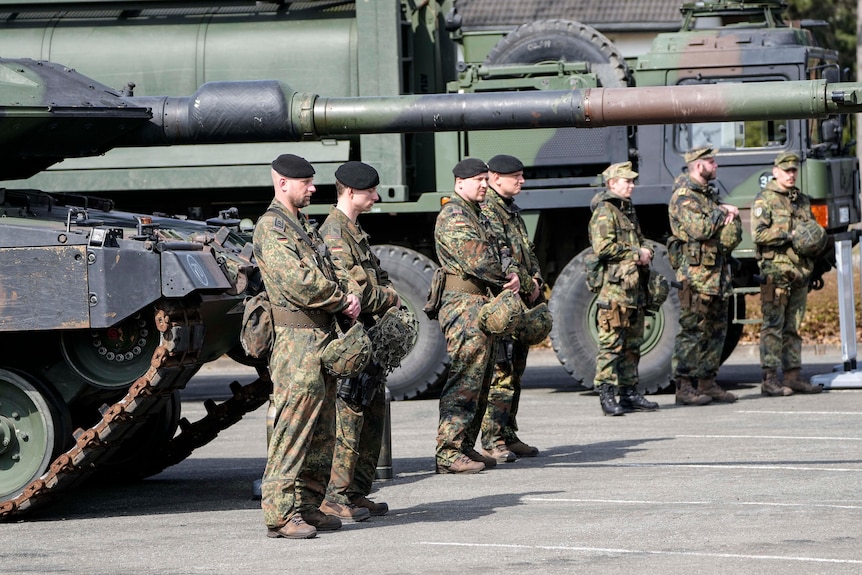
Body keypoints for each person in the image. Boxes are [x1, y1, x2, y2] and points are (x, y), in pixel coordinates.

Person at [257, 153, 362, 539]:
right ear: (283, 183)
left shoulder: (303, 225)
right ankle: (280, 513)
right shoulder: (271, 227)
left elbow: (334, 269)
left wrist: (348, 293)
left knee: (322, 429)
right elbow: (297, 281)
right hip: (296, 341)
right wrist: (339, 298)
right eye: (307, 183)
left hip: (321, 337)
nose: (314, 189)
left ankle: (307, 506)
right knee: (293, 426)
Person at [319, 161, 400, 520]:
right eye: (370, 191)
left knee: (372, 414)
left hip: (369, 338)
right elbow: (358, 294)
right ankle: (335, 495)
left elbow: (378, 279)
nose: (376, 197)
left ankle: (357, 491)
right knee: (349, 416)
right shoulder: (334, 234)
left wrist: (385, 294)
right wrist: (389, 298)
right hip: (351, 338)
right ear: (350, 192)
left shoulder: (354, 231)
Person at [434, 157, 521, 474]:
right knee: (464, 378)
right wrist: (504, 273)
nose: (484, 185)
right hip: (463, 303)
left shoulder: (480, 215)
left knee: (482, 379)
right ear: (460, 183)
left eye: (487, 180)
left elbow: (504, 249)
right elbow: (480, 259)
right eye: (478, 180)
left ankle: (466, 446)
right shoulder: (454, 215)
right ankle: (448, 450)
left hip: (481, 302)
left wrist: (512, 271)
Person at [479, 154, 543, 461]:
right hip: (503, 303)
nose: (522, 181)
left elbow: (527, 255)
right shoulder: (488, 212)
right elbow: (501, 263)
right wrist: (528, 285)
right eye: (515, 176)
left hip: (521, 303)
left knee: (515, 371)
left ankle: (508, 432)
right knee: (501, 373)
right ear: (495, 177)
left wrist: (537, 280)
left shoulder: (511, 211)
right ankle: (493, 439)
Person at [668, 146, 740, 405]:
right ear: (699, 166)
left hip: (717, 274)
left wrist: (721, 213)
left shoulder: (707, 196)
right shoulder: (684, 197)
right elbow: (699, 229)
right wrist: (724, 212)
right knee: (693, 330)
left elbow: (717, 231)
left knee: (716, 330)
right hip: (696, 277)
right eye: (711, 161)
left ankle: (707, 382)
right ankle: (684, 386)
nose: (716, 165)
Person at [588, 161, 660, 416]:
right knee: (611, 344)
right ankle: (607, 394)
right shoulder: (606, 211)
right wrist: (636, 252)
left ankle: (629, 392)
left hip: (633, 289)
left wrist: (646, 250)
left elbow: (638, 241)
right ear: (612, 184)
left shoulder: (625, 210)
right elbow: (603, 248)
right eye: (627, 181)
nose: (632, 185)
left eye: (632, 181)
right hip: (615, 291)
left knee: (633, 343)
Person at [751, 151, 824, 396]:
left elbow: (812, 230)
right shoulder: (766, 199)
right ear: (776, 172)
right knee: (773, 325)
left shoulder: (801, 200)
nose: (791, 174)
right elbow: (758, 234)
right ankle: (770, 379)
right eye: (786, 170)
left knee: (793, 325)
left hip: (799, 272)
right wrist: (789, 234)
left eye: (794, 170)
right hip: (776, 272)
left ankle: (792, 376)